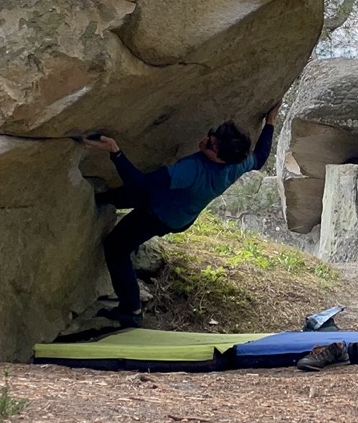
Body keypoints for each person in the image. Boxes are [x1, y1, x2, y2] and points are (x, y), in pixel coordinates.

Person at [82, 105, 279, 327]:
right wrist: (270, 121)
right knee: (117, 197)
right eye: (211, 134)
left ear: (221, 158)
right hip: (181, 213)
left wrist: (114, 151)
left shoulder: (192, 171)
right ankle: (106, 202)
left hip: (160, 215)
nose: (206, 140)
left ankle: (131, 310)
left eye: (212, 145)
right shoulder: (236, 164)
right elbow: (260, 157)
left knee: (116, 248)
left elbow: (141, 185)